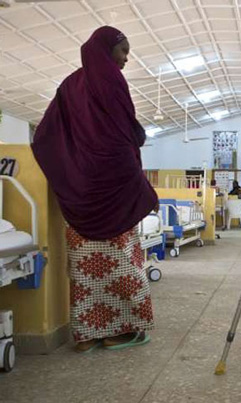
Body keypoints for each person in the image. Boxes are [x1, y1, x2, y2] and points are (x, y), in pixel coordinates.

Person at [31, 26, 157, 353]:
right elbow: (123, 140)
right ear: (106, 50)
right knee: (123, 267)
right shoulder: (112, 81)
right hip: (114, 193)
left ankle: (88, 333)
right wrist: (140, 186)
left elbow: (45, 135)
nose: (126, 59)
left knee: (85, 270)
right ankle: (128, 328)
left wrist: (69, 170)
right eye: (123, 51)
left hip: (82, 196)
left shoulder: (70, 86)